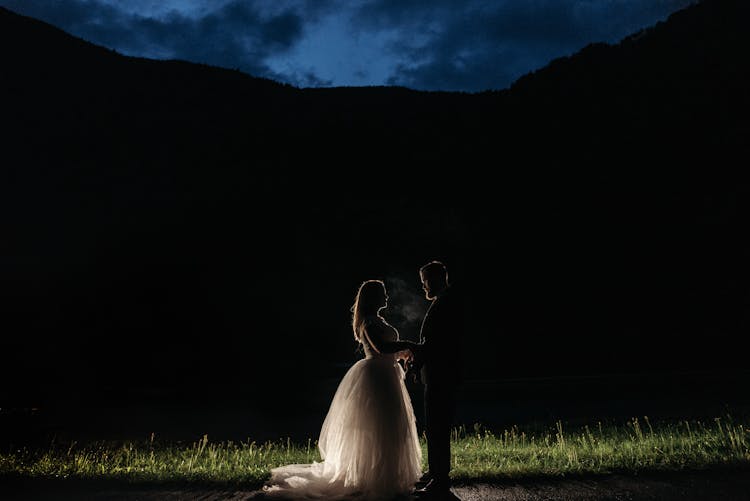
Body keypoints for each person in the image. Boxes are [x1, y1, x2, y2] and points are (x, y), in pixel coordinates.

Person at [263, 279, 422, 500]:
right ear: (373, 298)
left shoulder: (377, 320)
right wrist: (409, 345)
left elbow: (388, 352)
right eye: (382, 293)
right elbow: (381, 348)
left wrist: (402, 354)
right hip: (376, 379)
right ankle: (373, 479)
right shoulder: (368, 322)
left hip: (388, 375)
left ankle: (386, 477)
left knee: (389, 428)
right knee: (377, 428)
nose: (386, 297)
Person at [407, 261, 464, 499]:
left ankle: (441, 479)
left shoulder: (445, 304)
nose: (423, 287)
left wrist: (416, 359)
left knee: (438, 426)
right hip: (440, 374)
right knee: (434, 426)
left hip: (441, 374)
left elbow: (435, 344)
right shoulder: (445, 302)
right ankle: (436, 472)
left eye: (425, 282)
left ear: (437, 279)